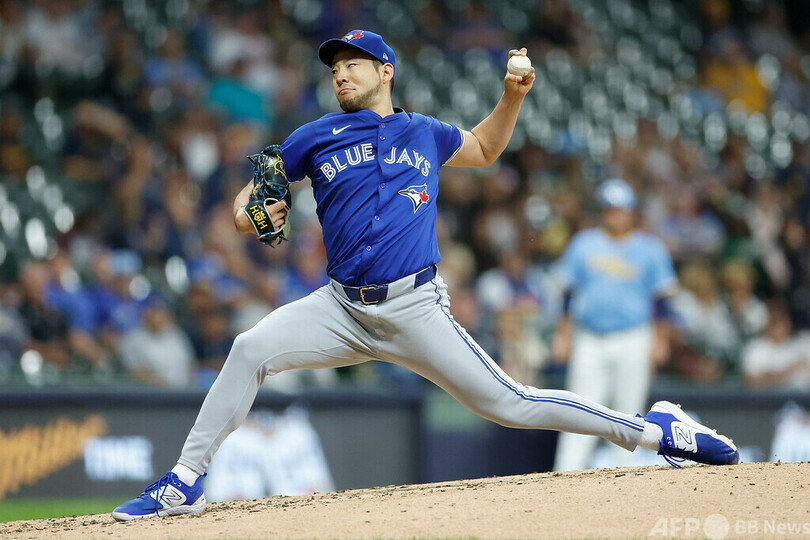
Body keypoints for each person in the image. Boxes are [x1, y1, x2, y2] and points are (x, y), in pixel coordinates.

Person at [112, 30, 739, 521]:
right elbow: (251, 197)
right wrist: (252, 212)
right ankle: (184, 481)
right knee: (249, 348)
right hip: (341, 308)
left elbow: (485, 150)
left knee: (511, 404)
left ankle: (655, 431)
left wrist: (513, 97)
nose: (340, 73)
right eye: (334, 67)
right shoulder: (314, 136)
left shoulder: (424, 133)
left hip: (415, 307)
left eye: (353, 63)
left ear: (385, 70)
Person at [551, 179, 678, 471]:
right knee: (578, 410)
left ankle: (627, 478)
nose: (615, 215)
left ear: (631, 212)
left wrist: (661, 340)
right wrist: (562, 335)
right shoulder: (584, 243)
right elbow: (567, 294)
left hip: (634, 336)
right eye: (609, 209)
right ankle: (565, 475)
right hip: (589, 338)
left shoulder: (650, 248)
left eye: (620, 209)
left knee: (629, 412)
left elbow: (663, 301)